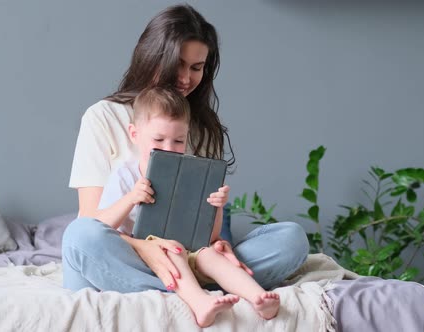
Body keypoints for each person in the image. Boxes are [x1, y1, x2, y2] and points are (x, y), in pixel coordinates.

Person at [62, 3, 309, 296]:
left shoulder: (202, 128)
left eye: (196, 67)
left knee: (291, 238)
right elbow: (92, 220)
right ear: (153, 57)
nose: (185, 78)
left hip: (192, 257)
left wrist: (220, 245)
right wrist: (146, 248)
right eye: (177, 63)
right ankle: (193, 293)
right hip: (129, 256)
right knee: (79, 236)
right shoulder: (103, 117)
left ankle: (178, 290)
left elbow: (208, 221)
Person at [95, 86, 281, 327]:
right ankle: (200, 302)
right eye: (158, 139)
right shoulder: (124, 175)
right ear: (134, 134)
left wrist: (217, 207)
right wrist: (131, 198)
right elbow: (100, 226)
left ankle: (258, 298)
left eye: (179, 140)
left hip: (188, 251)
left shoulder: (191, 174)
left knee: (210, 254)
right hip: (146, 255)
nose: (169, 148)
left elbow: (211, 237)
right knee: (172, 250)